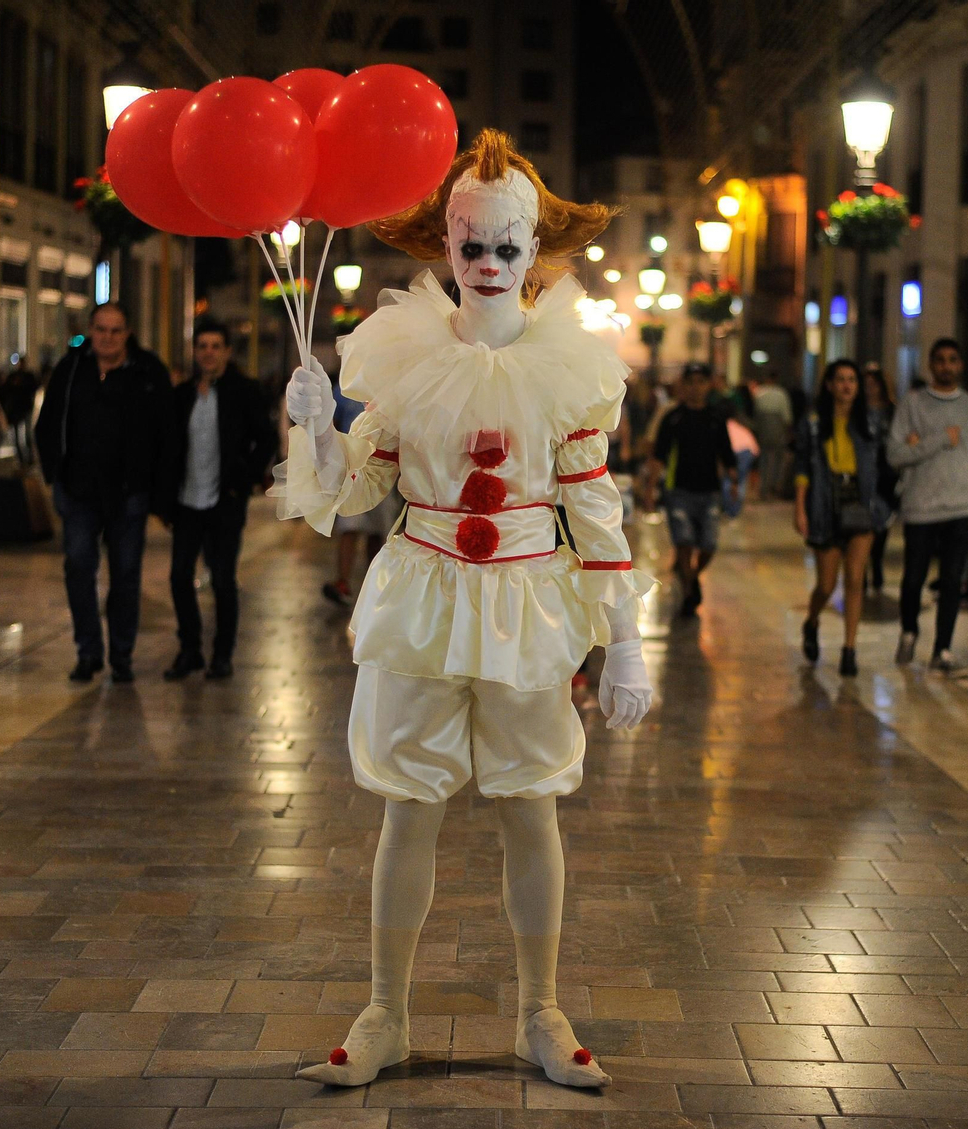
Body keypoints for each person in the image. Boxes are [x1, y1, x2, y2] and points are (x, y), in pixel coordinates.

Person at [272, 129, 652, 1090]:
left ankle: (540, 1007)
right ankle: (386, 1011)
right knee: (409, 805)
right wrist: (317, 431)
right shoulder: (402, 355)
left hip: (529, 605)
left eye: (506, 248)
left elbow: (596, 509)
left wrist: (626, 647)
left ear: (534, 254)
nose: (486, 265)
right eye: (471, 245)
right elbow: (357, 490)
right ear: (446, 246)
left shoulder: (570, 370)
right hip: (423, 596)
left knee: (532, 807)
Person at [33, 303, 175, 684]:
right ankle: (88, 651)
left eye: (115, 330)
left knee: (126, 575)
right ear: (90, 331)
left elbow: (167, 433)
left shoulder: (147, 372)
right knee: (78, 568)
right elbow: (48, 422)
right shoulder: (72, 368)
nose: (107, 337)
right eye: (100, 330)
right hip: (78, 491)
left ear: (127, 332)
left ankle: (122, 654)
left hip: (129, 494)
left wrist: (160, 493)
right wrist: (54, 474)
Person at [163, 320, 277, 681]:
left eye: (215, 345)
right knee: (180, 576)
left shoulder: (244, 391)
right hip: (186, 501)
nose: (208, 352)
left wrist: (244, 478)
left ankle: (222, 654)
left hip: (224, 500)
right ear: (195, 352)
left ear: (227, 351)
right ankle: (190, 649)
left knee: (223, 578)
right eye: (202, 346)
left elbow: (267, 438)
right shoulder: (182, 395)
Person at [887, 337, 968, 678]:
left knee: (951, 582)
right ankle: (909, 630)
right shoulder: (912, 404)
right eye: (940, 360)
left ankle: (942, 650)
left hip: (961, 507)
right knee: (913, 578)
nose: (947, 366)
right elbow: (895, 455)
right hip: (921, 507)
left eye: (953, 360)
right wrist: (940, 440)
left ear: (961, 365)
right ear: (930, 365)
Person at [794, 359, 887, 676]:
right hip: (825, 505)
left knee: (855, 580)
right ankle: (813, 620)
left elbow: (885, 462)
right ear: (830, 385)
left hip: (860, 505)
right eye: (841, 379)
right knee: (826, 584)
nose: (847, 385)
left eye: (852, 380)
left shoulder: (871, 422)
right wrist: (800, 507)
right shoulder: (814, 422)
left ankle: (849, 649)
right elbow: (803, 467)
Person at [650, 362, 738, 617]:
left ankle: (693, 576)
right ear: (683, 385)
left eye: (701, 382)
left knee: (709, 544)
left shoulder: (716, 418)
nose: (696, 387)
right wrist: (650, 488)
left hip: (709, 491)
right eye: (691, 382)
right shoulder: (673, 418)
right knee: (684, 542)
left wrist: (732, 481)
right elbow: (659, 455)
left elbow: (727, 452)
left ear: (709, 385)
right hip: (678, 491)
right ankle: (689, 590)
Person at [322, 368, 402, 606]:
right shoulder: (345, 387)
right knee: (349, 527)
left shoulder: (395, 386)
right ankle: (343, 581)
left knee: (378, 531)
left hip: (384, 471)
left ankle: (373, 587)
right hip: (352, 469)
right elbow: (332, 424)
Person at [864, 364, 898, 592]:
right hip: (864, 472)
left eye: (874, 383)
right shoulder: (858, 411)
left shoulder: (892, 411)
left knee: (883, 519)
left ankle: (876, 560)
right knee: (863, 519)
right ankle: (863, 565)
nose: (870, 388)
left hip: (886, 473)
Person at [748, 374, 792, 499]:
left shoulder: (759, 393)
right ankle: (774, 485)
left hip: (763, 430)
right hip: (777, 429)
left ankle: (764, 488)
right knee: (778, 458)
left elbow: (755, 415)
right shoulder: (781, 394)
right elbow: (787, 417)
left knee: (764, 459)